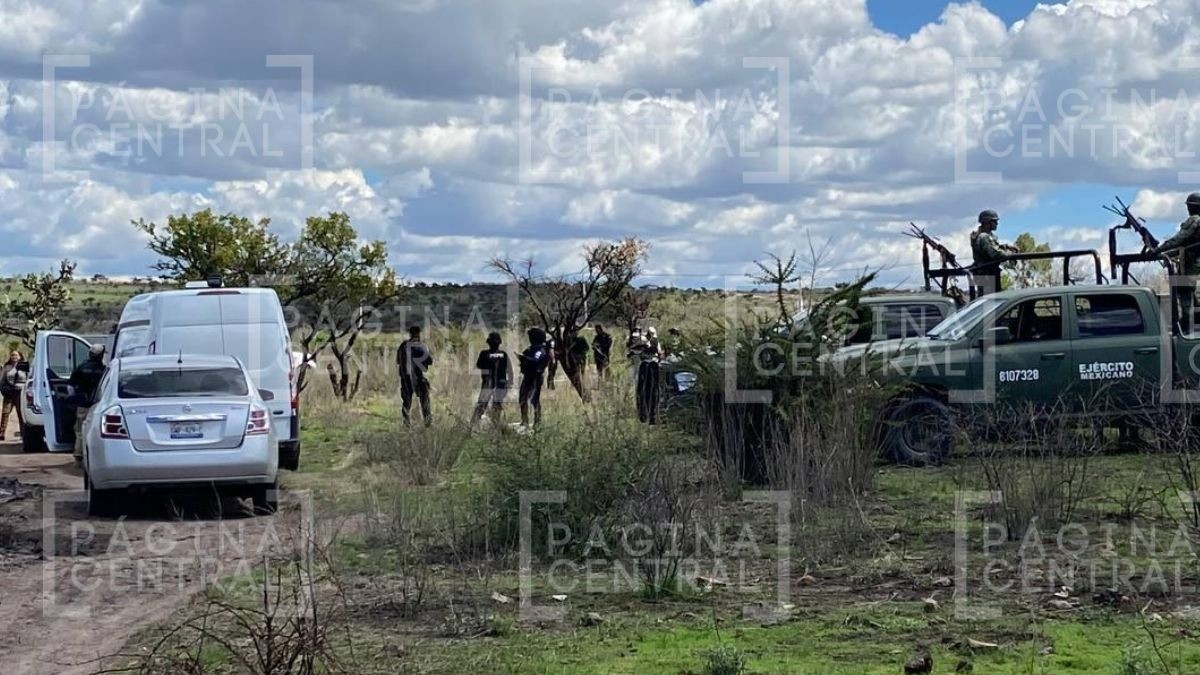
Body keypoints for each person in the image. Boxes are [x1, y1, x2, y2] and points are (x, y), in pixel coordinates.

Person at [1152, 193, 1200, 332]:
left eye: (1190, 206)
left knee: (1185, 294)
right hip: (1193, 263)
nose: (1188, 209)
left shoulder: (1194, 220)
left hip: (1191, 265)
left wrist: (1157, 250)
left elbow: (1178, 239)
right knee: (1191, 296)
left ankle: (1188, 328)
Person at [70, 344, 107, 463]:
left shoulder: (81, 368)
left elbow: (71, 386)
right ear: (101, 355)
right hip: (99, 404)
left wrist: (74, 399)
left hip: (83, 404)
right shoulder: (104, 370)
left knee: (80, 429)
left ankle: (79, 454)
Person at [970, 210, 1017, 296]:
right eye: (994, 221)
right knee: (990, 301)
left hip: (987, 273)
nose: (997, 224)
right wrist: (1011, 256)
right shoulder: (984, 236)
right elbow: (995, 253)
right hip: (987, 274)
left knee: (990, 300)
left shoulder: (985, 236)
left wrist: (1006, 247)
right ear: (987, 222)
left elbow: (993, 246)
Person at [396, 326, 433, 427]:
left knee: (406, 402)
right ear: (419, 334)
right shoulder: (421, 346)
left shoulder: (403, 346)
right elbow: (430, 361)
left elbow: (398, 361)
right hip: (419, 376)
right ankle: (427, 422)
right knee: (424, 400)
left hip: (405, 377)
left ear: (410, 334)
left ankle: (406, 423)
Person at [472, 332, 512, 424]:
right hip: (501, 383)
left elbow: (479, 365)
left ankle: (473, 424)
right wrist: (509, 382)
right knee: (497, 405)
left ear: (488, 342)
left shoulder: (484, 354)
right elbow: (509, 370)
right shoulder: (503, 354)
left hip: (488, 383)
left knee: (482, 404)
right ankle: (496, 424)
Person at [517, 327, 551, 428]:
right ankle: (524, 420)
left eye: (531, 336)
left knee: (534, 399)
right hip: (528, 375)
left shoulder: (540, 350)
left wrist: (527, 360)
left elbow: (538, 361)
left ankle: (537, 421)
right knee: (522, 397)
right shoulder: (530, 349)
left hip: (536, 377)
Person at [635, 327, 663, 424]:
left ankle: (645, 415)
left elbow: (636, 351)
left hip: (646, 365)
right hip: (653, 365)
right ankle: (651, 416)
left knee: (644, 390)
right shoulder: (655, 341)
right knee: (653, 390)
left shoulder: (643, 341)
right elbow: (659, 353)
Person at [0, 350, 27, 439]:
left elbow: (28, 378)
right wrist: (3, 390)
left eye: (16, 355)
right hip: (9, 393)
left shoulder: (24, 366)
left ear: (20, 356)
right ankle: (2, 433)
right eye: (12, 355)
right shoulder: (7, 367)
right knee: (5, 413)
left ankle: (23, 434)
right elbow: (2, 380)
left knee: (21, 413)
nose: (14, 357)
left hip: (21, 393)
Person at [545, 326, 560, 390]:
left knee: (552, 372)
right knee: (551, 372)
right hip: (551, 359)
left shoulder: (553, 341)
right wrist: (553, 359)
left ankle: (550, 385)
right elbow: (551, 350)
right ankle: (550, 386)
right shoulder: (552, 341)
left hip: (551, 358)